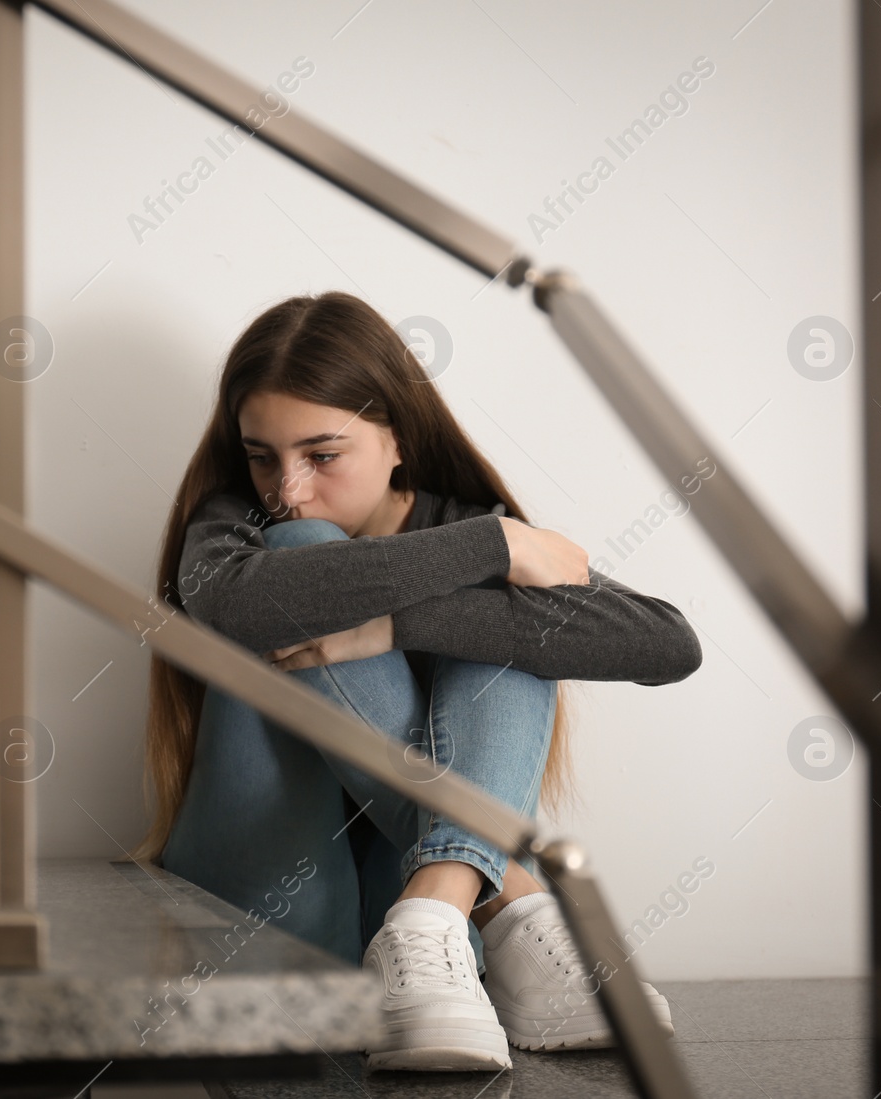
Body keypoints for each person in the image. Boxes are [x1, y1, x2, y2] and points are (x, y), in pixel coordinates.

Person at [127, 290, 703, 1072]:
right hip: (263, 907)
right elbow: (242, 600)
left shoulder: (448, 523)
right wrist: (491, 544)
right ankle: (509, 898)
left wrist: (402, 623)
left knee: (505, 629)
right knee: (305, 553)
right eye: (262, 454)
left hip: (425, 967)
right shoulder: (238, 525)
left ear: (397, 437)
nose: (285, 487)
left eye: (322, 454)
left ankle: (432, 910)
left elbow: (667, 642)